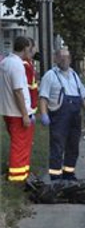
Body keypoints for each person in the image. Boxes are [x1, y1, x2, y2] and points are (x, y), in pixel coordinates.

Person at [38, 48, 85, 181]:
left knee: (73, 146)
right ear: (55, 59)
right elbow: (43, 97)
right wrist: (44, 114)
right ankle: (55, 176)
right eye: (61, 57)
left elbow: (82, 95)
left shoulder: (74, 75)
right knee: (57, 146)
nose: (64, 60)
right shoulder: (50, 75)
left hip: (75, 117)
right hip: (59, 117)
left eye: (66, 57)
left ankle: (69, 173)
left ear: (70, 59)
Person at [0, 37, 36, 183]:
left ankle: (21, 176)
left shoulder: (5, 62)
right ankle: (17, 180)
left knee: (18, 145)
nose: (32, 52)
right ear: (26, 47)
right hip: (18, 113)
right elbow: (18, 91)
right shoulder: (17, 65)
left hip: (8, 111)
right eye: (31, 48)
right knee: (20, 147)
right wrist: (25, 115)